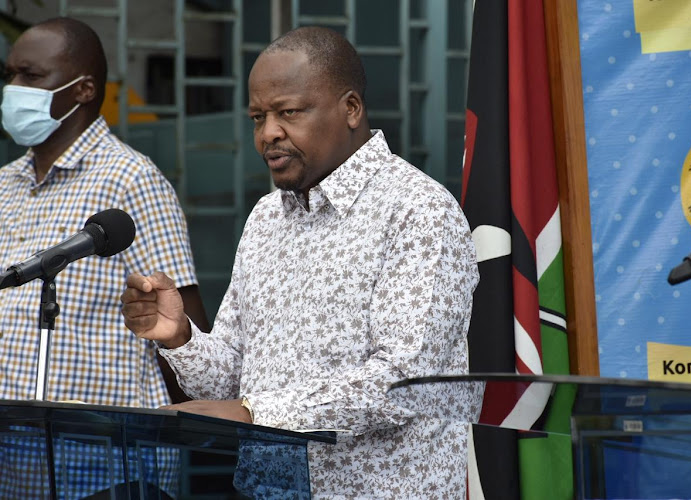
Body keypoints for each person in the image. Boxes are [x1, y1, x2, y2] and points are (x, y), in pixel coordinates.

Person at [122, 26, 479, 499]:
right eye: (257, 117)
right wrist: (182, 336)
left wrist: (255, 413)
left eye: (288, 112)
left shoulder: (417, 210)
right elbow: (233, 377)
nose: (268, 133)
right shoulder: (267, 217)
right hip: (266, 488)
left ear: (350, 109)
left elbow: (405, 383)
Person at [0, 17, 208, 498]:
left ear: (83, 89)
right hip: (16, 461)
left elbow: (184, 326)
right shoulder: (7, 184)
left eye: (31, 76)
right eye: (10, 75)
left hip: (110, 459)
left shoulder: (132, 180)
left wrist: (179, 442)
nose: (14, 89)